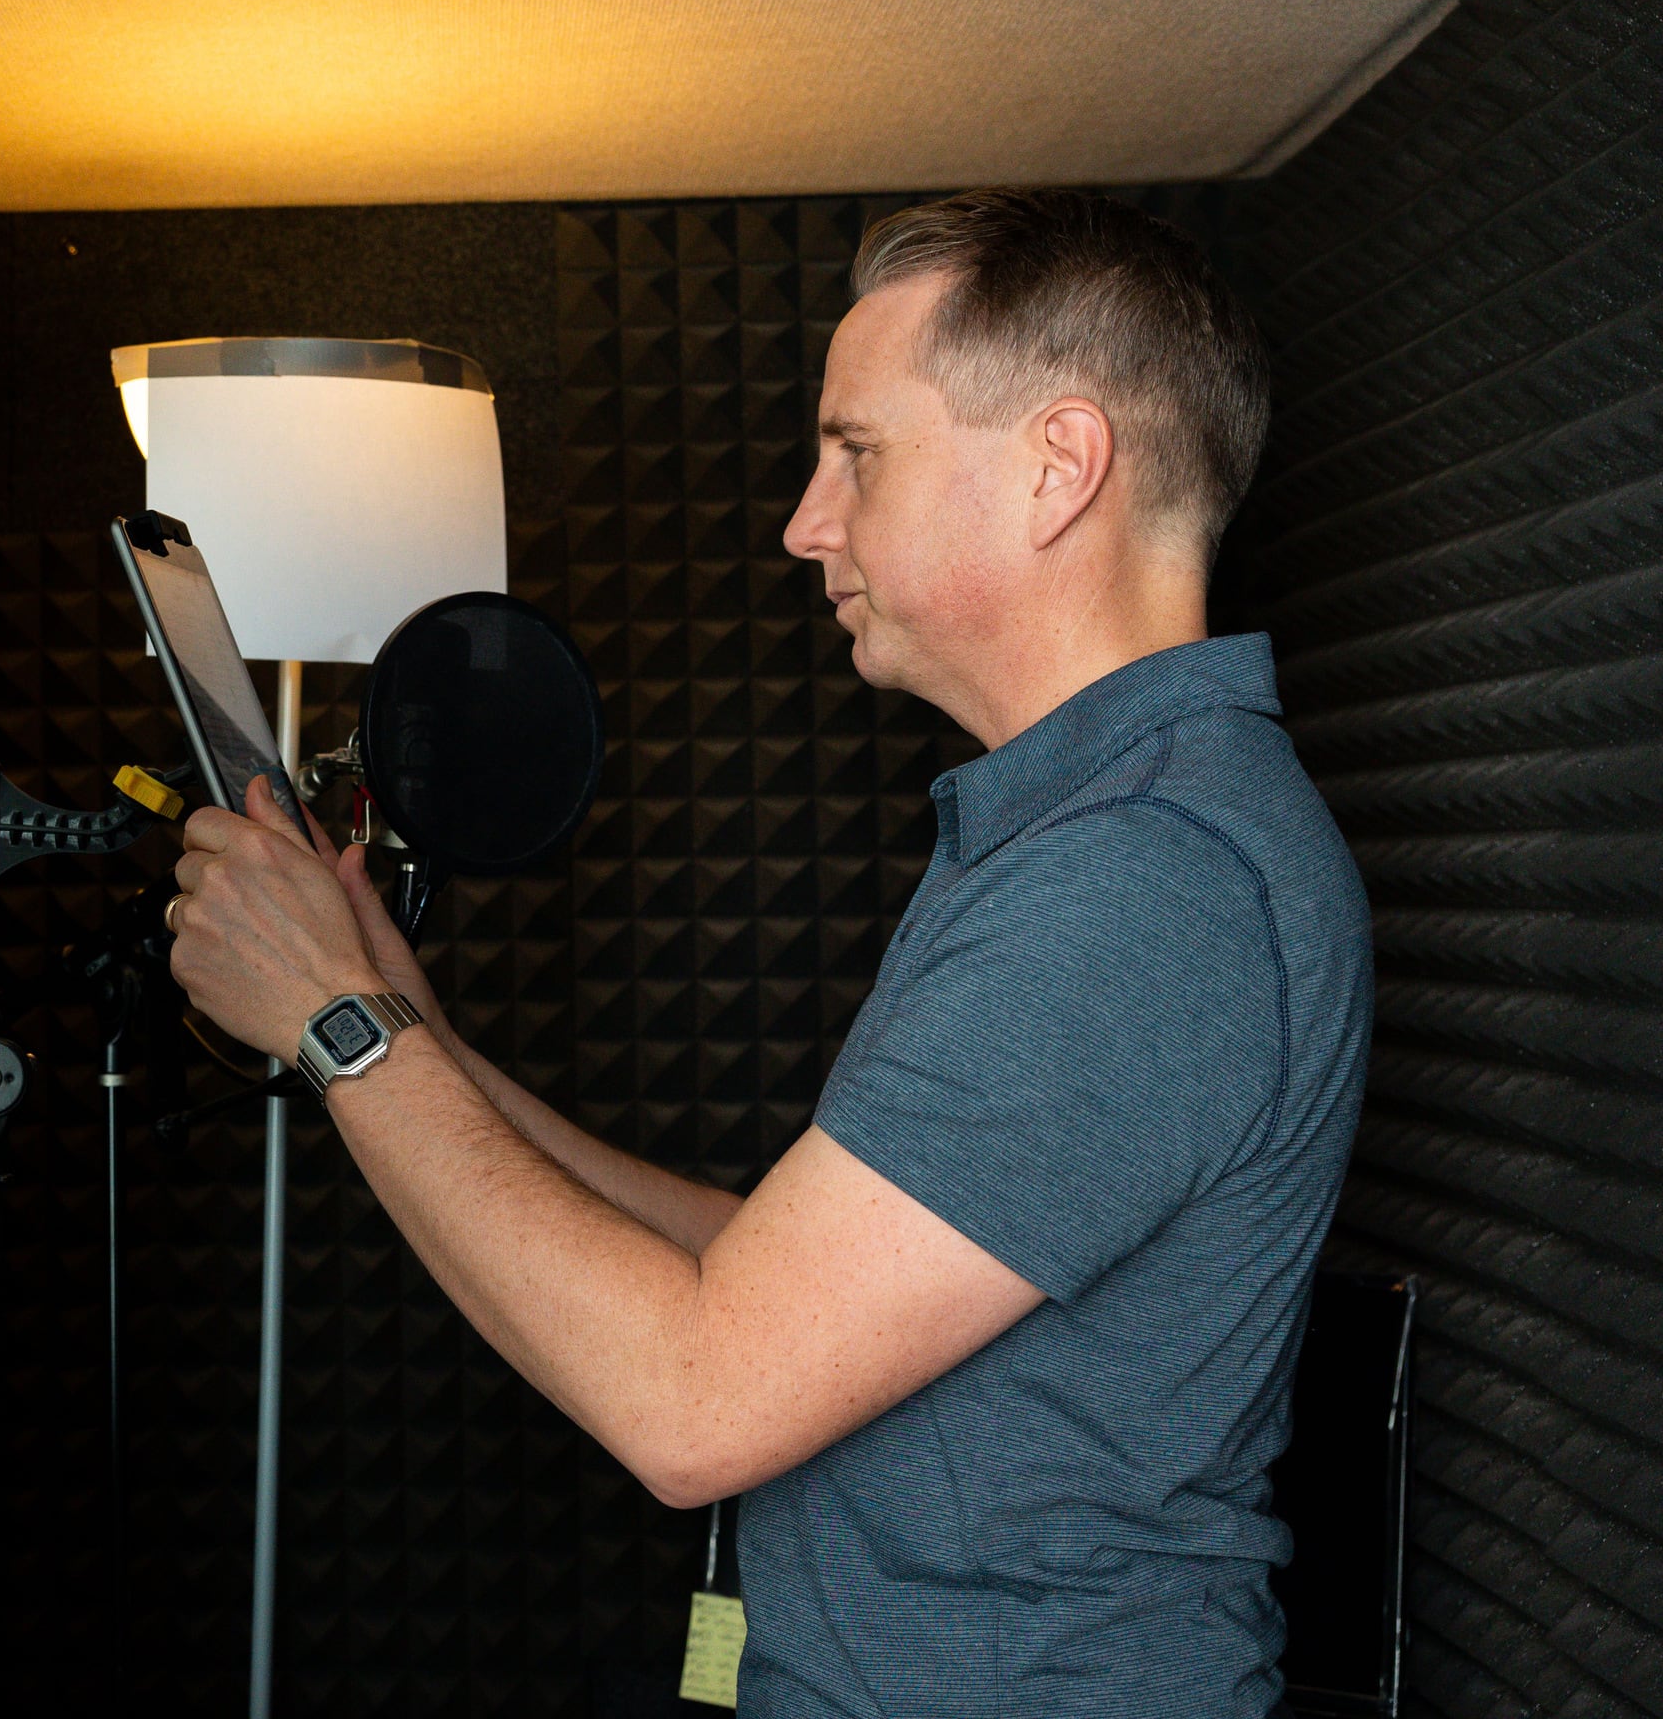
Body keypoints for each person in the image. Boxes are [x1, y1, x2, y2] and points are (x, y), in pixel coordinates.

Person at [160, 189, 1372, 1717]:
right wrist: (419, 1033)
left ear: (1060, 468)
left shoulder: (1142, 889)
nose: (806, 521)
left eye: (856, 453)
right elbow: (773, 1279)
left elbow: (693, 1398)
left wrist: (341, 1030)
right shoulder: (1092, 835)